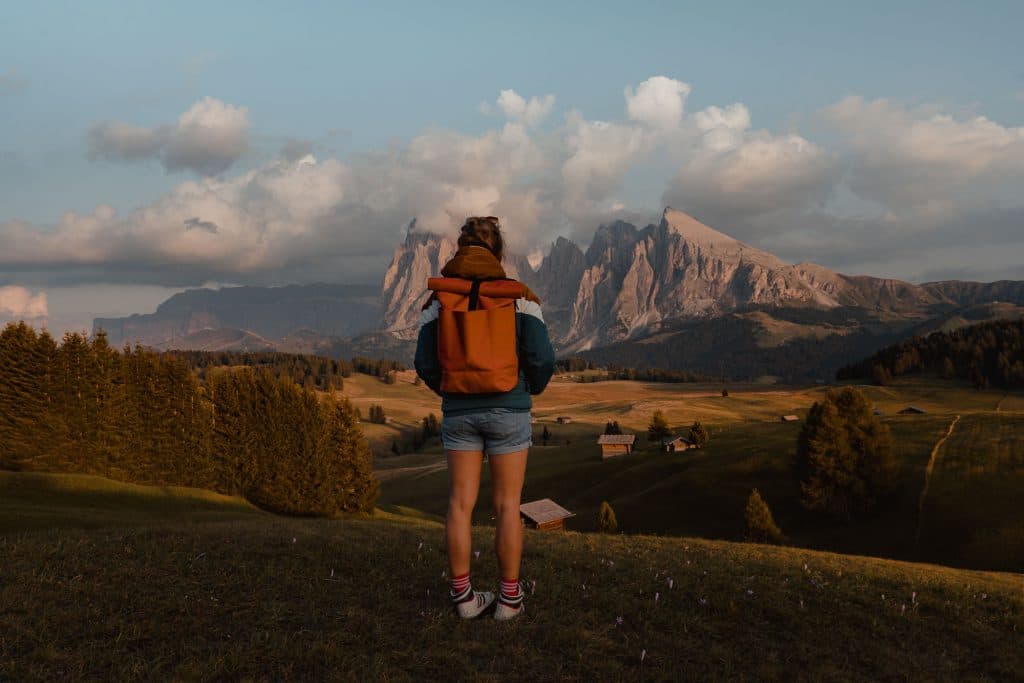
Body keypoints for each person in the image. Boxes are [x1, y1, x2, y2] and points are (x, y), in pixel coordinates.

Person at [414, 216, 555, 621]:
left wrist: (452, 391)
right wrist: (528, 389)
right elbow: (542, 358)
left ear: (459, 251)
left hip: (459, 412)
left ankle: (464, 600)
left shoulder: (439, 300)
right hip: (509, 408)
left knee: (460, 505)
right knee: (509, 506)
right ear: (498, 253)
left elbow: (424, 362)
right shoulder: (520, 298)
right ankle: (509, 602)